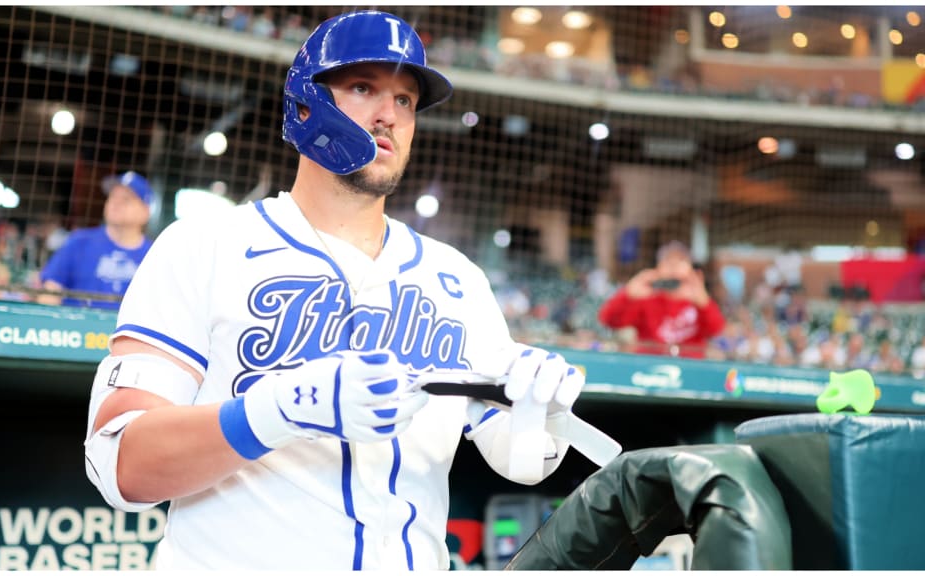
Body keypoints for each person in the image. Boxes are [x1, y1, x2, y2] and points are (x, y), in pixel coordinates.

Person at [83, 11, 585, 571]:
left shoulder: (459, 279)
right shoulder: (206, 245)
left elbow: (524, 462)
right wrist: (278, 411)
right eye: (363, 88)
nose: (387, 115)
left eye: (405, 101)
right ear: (304, 105)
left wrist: (544, 410)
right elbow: (120, 462)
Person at [38, 171, 154, 309]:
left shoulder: (154, 256)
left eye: (126, 199)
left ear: (145, 212)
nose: (116, 203)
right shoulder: (79, 242)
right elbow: (49, 294)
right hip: (78, 327)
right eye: (113, 196)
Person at [597, 241, 725, 358]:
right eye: (668, 260)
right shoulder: (647, 298)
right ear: (658, 267)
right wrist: (627, 293)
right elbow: (608, 320)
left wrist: (703, 301)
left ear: (691, 268)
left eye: (680, 260)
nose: (673, 266)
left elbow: (716, 329)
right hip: (650, 367)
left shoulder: (698, 300)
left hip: (690, 369)